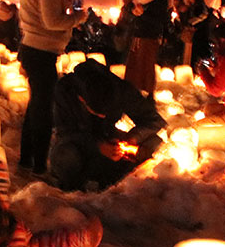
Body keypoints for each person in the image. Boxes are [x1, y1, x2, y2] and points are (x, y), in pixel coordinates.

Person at [17, 0, 83, 173]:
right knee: (43, 111)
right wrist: (79, 17)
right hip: (41, 49)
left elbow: (46, 9)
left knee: (36, 107)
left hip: (35, 48)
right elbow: (52, 21)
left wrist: (65, 3)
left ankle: (26, 161)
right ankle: (39, 167)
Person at [49, 58, 165, 190]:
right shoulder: (65, 90)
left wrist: (132, 139)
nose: (104, 116)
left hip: (109, 137)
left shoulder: (120, 89)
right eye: (98, 113)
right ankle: (73, 186)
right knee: (66, 156)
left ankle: (121, 183)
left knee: (154, 142)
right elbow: (65, 132)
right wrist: (97, 146)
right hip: (79, 142)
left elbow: (153, 120)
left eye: (108, 111)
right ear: (82, 99)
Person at [123, 0, 169, 93]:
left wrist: (143, 14)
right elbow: (131, 12)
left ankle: (146, 91)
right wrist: (131, 9)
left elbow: (159, 20)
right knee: (134, 65)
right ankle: (132, 89)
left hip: (149, 37)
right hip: (138, 35)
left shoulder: (159, 1)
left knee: (146, 66)